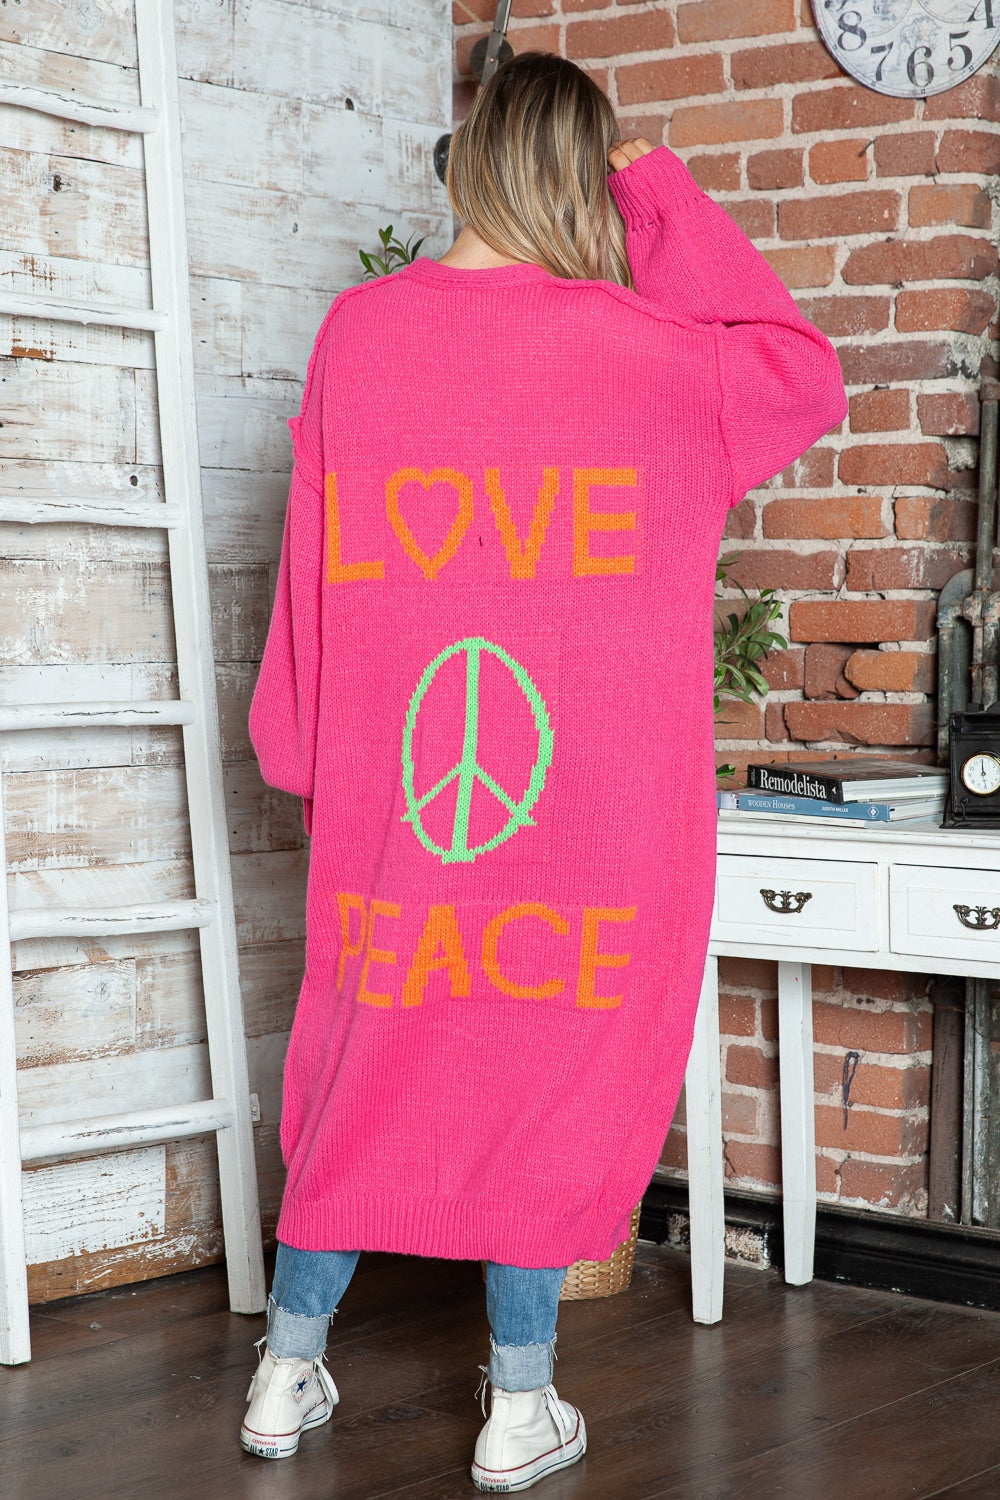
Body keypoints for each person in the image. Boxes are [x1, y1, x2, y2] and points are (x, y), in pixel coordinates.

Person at [242, 49, 847, 1493]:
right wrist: (656, 190)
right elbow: (803, 372)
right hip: (596, 811)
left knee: (365, 1055)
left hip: (401, 791)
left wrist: (305, 753)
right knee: (550, 1066)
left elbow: (309, 576)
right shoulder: (658, 358)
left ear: (468, 164)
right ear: (584, 177)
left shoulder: (360, 334)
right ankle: (519, 1407)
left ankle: (284, 1370)